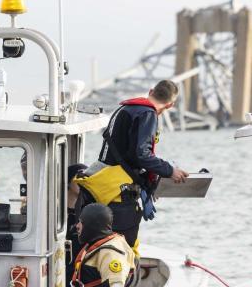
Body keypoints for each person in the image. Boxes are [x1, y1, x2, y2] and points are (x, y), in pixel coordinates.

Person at [79, 80, 189, 252]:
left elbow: (127, 154)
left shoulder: (125, 109)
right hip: (118, 192)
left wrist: (149, 184)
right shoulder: (147, 114)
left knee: (98, 240)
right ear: (170, 105)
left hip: (101, 182)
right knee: (121, 245)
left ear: (151, 90)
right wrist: (169, 171)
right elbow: (142, 155)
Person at [65, 163, 88, 281]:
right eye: (78, 177)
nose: (83, 181)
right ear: (68, 181)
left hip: (82, 270)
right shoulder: (56, 214)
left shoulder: (89, 212)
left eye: (86, 178)